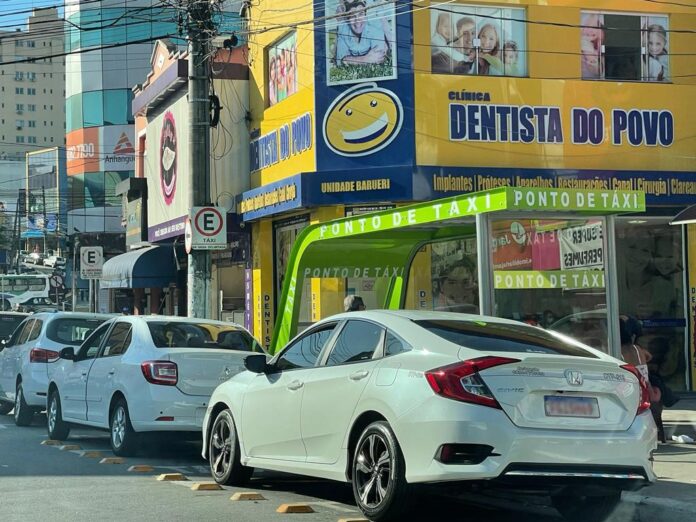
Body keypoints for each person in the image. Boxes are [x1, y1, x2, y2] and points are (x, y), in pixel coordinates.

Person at [335, 0, 389, 66]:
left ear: (366, 15)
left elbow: (380, 57)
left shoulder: (374, 26)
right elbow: (339, 62)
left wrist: (349, 60)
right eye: (352, 16)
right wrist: (365, 59)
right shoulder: (343, 29)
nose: (357, 20)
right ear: (347, 19)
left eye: (361, 14)